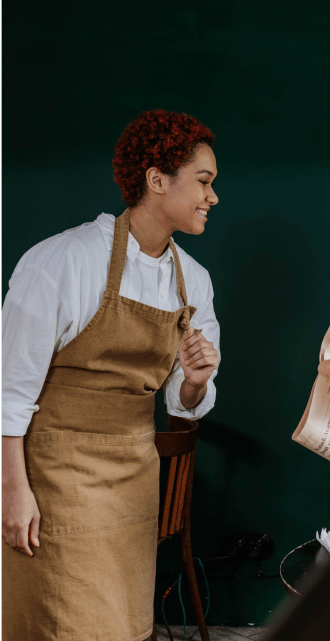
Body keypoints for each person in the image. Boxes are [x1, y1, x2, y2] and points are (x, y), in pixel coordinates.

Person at [1, 109, 222, 641]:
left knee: (121, 627)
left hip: (133, 478)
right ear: (155, 180)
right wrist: (12, 490)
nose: (212, 197)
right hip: (57, 476)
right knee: (62, 622)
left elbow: (185, 400)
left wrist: (193, 378)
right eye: (204, 181)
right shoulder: (62, 260)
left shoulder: (193, 281)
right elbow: (10, 390)